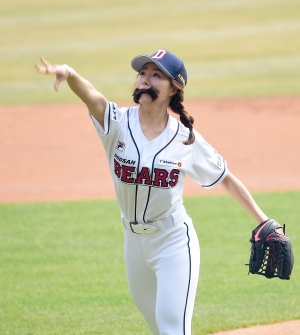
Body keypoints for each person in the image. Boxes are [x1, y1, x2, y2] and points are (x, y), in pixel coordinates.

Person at [35, 50, 268, 335]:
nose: (145, 79)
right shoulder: (118, 124)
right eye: (142, 73)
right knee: (157, 327)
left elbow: (226, 179)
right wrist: (70, 74)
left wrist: (263, 220)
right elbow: (92, 97)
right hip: (134, 246)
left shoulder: (185, 139)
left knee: (173, 328)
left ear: (174, 88)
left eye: (156, 75)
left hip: (173, 243)